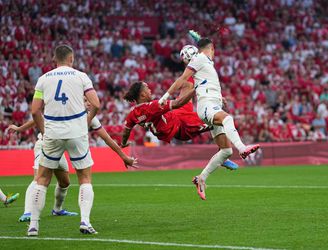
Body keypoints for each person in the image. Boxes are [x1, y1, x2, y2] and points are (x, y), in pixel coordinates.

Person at [159, 38, 260, 200]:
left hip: (213, 104)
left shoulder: (205, 63)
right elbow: (181, 80)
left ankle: (201, 179)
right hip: (206, 106)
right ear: (210, 48)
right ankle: (242, 148)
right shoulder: (199, 59)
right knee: (228, 119)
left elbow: (206, 80)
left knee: (226, 151)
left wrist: (220, 98)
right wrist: (164, 97)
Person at [28, 44, 100, 236]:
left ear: (54, 59)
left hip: (52, 133)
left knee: (42, 179)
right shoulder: (81, 76)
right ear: (71, 59)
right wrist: (85, 122)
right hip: (76, 132)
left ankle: (33, 225)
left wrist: (45, 130)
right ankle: (85, 221)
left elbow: (35, 111)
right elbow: (96, 103)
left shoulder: (43, 79)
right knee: (84, 178)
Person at [8, 116, 136, 222]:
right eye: (86, 100)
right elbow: (38, 116)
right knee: (38, 178)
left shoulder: (90, 116)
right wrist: (20, 128)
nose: (89, 103)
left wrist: (123, 156)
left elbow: (107, 138)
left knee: (65, 182)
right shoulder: (63, 107)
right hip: (45, 145)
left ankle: (57, 210)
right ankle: (28, 212)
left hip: (59, 149)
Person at [122, 82, 238, 175]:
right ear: (142, 95)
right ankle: (223, 155)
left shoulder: (132, 114)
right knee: (220, 119)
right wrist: (197, 89)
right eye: (147, 88)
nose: (150, 90)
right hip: (182, 127)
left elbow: (126, 130)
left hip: (177, 115)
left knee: (187, 84)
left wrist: (123, 143)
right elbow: (177, 103)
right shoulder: (152, 107)